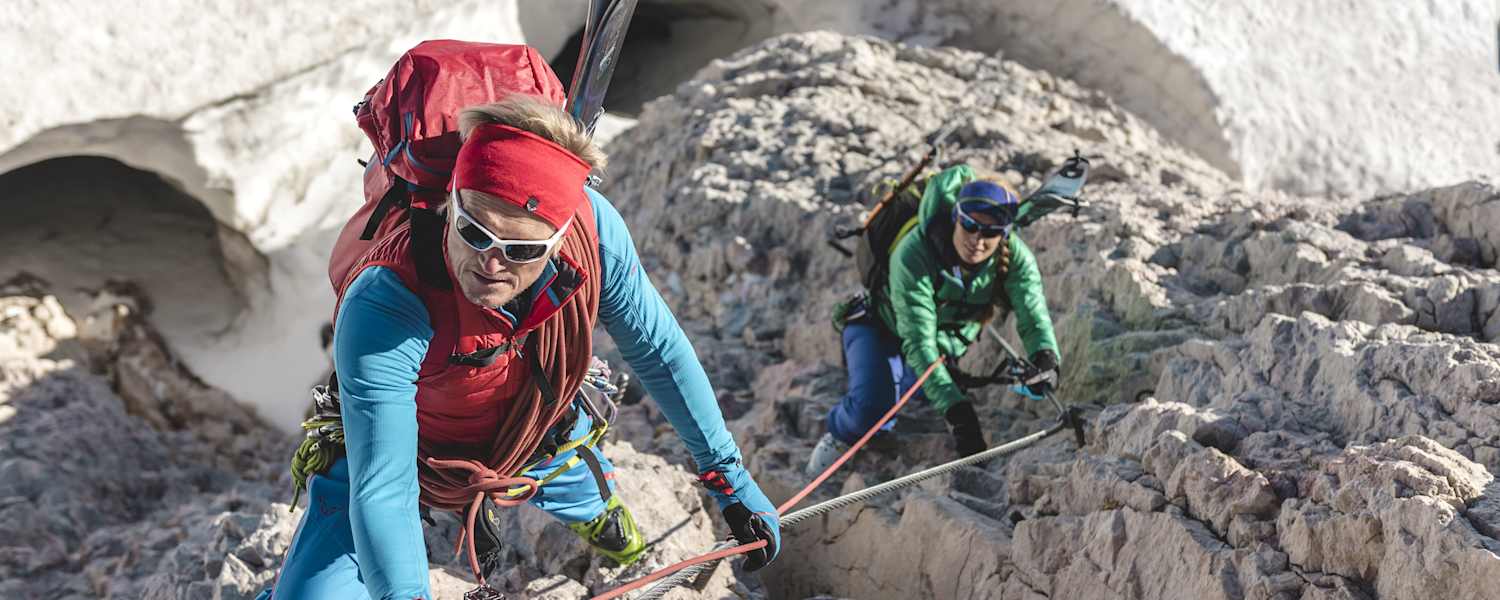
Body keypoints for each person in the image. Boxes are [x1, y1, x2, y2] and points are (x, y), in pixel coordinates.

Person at [261, 96, 779, 600]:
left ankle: (605, 520)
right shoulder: (387, 298)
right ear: (449, 203)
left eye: (522, 250)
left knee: (580, 489)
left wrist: (727, 476)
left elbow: (659, 351)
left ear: (559, 238)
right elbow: (384, 486)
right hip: (410, 450)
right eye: (474, 232)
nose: (491, 263)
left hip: (534, 431)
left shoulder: (593, 232)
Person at [807, 164, 1061, 475]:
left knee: (923, 388)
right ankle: (837, 434)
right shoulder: (915, 251)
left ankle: (901, 383)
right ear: (956, 217)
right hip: (880, 326)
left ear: (1005, 233)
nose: (978, 240)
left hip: (944, 340)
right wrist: (960, 416)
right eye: (970, 225)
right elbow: (918, 340)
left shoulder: (1015, 257)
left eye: (992, 232)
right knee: (873, 411)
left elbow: (1033, 312)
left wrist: (1045, 357)